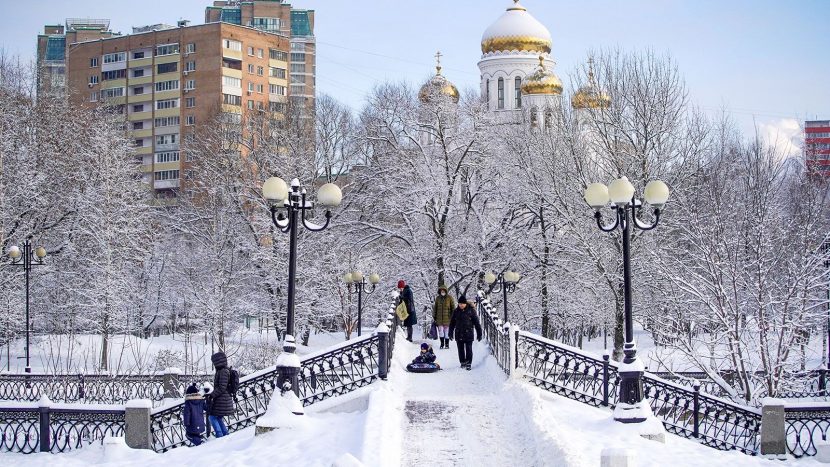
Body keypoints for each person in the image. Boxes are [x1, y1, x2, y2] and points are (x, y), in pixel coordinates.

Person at [448, 294, 482, 371]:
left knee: (468, 349)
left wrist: (479, 333)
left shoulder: (471, 311)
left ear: (465, 303)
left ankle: (468, 363)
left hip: (468, 333)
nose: (461, 305)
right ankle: (462, 362)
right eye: (460, 304)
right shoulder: (456, 311)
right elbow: (452, 323)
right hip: (458, 333)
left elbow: (476, 323)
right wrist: (450, 333)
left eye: (462, 304)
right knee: (460, 349)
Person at [206, 351, 234, 437]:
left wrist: (212, 395)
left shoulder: (223, 371)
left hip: (223, 399)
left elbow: (222, 387)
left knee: (212, 417)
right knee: (217, 417)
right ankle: (224, 434)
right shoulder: (223, 370)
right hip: (222, 398)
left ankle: (220, 435)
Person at [432, 284, 456, 349]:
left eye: (443, 291)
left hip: (448, 319)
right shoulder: (437, 298)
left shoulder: (449, 298)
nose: (442, 292)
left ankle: (447, 344)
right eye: (441, 291)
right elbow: (435, 308)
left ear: (446, 291)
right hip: (439, 318)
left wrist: (452, 316)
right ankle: (442, 344)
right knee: (441, 331)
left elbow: (453, 308)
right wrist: (434, 316)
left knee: (446, 331)